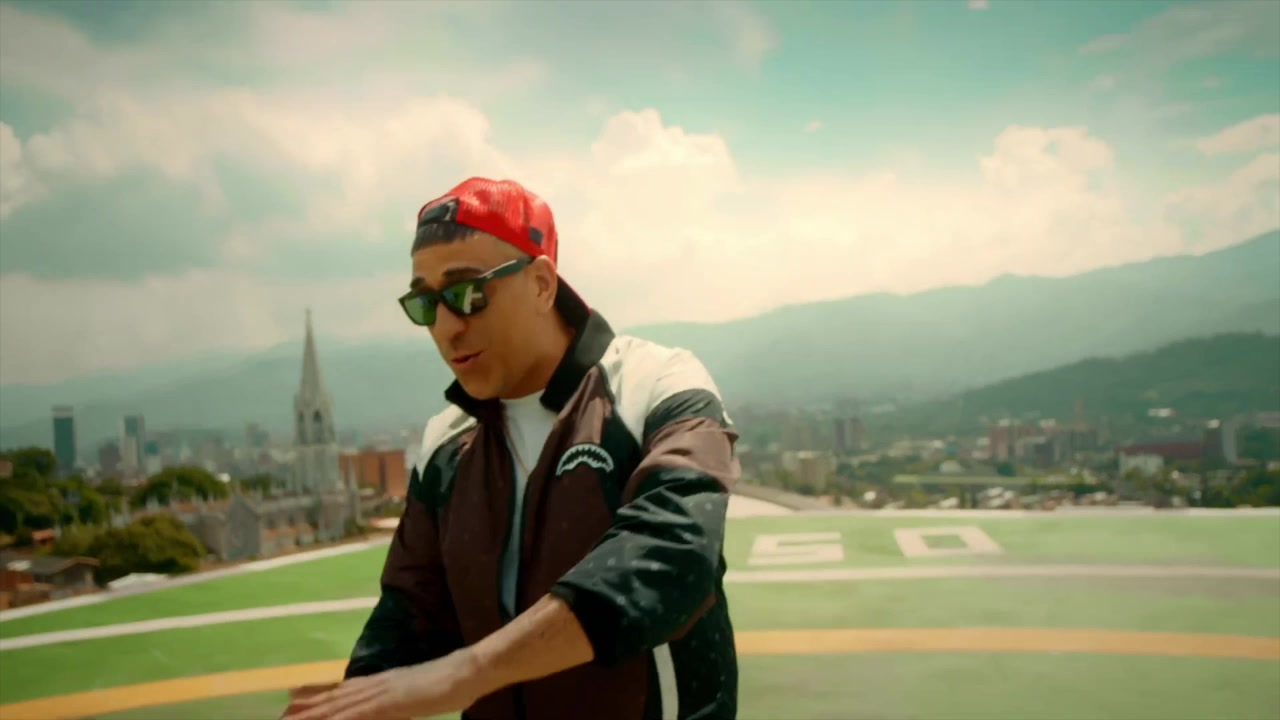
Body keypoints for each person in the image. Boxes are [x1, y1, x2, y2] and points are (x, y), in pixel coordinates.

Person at [282, 177, 740, 720]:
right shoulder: (445, 442)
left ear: (542, 284)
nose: (445, 328)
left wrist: (466, 672)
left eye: (466, 293)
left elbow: (672, 556)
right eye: (426, 304)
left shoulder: (657, 385)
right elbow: (411, 610)